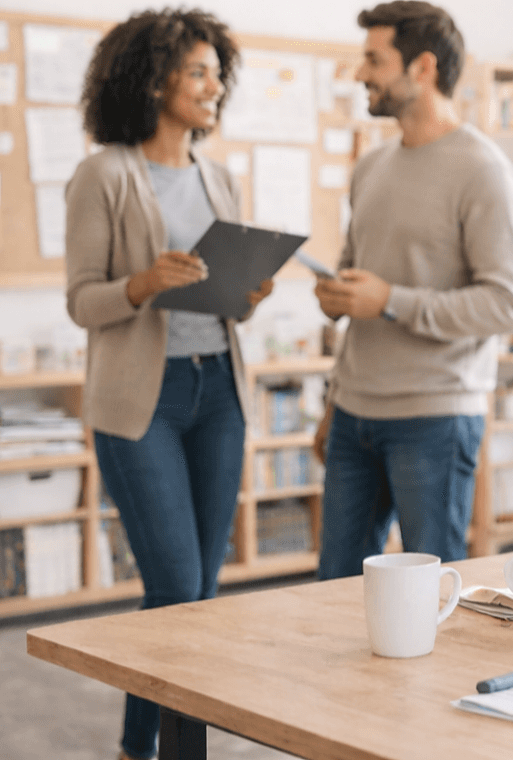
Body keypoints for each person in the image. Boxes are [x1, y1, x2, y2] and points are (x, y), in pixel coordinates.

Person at [63, 9, 273, 760]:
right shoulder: (104, 173)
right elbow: (82, 299)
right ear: (154, 80)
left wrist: (246, 295)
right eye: (198, 71)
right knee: (178, 586)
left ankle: (140, 749)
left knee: (196, 601)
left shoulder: (220, 177)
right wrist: (145, 283)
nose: (215, 85)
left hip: (218, 391)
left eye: (219, 72)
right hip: (140, 405)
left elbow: (226, 308)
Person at [312, 1, 513, 579]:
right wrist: (334, 396)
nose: (361, 74)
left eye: (374, 60)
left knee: (431, 597)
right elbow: (356, 275)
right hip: (354, 414)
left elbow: (509, 304)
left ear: (424, 68)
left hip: (434, 419)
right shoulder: (371, 166)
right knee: (332, 594)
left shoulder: (484, 172)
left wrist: (389, 301)